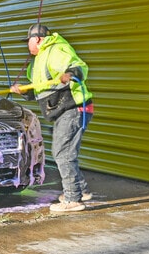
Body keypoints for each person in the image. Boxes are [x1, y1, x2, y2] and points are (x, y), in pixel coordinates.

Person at [10, 23, 94, 213]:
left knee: (63, 152)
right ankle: (81, 190)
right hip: (64, 110)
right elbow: (38, 90)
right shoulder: (38, 60)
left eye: (28, 41)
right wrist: (24, 91)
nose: (27, 45)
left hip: (74, 107)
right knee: (63, 152)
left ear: (37, 39)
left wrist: (70, 74)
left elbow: (80, 66)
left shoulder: (55, 50)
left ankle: (73, 198)